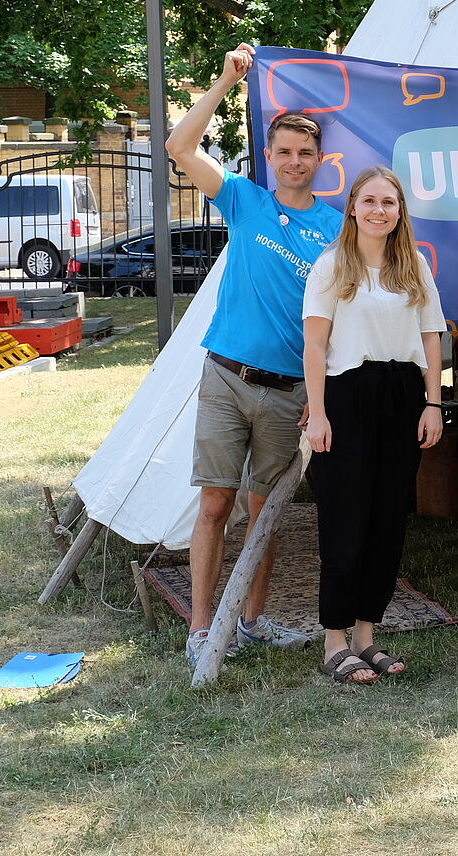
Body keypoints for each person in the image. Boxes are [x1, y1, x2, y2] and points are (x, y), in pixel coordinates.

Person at [166, 43, 342, 671]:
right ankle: (203, 628)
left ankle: (255, 621)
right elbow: (180, 147)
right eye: (284, 153)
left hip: (289, 389)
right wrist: (221, 83)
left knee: (263, 511)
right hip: (226, 375)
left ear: (322, 161)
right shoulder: (245, 200)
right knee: (215, 504)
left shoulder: (338, 226)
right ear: (268, 158)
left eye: (306, 154)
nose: (295, 163)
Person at [302, 166, 446, 684]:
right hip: (347, 396)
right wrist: (317, 414)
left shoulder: (414, 268)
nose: (379, 210)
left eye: (389, 202)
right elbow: (315, 346)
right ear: (354, 208)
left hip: (404, 395)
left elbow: (431, 338)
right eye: (370, 201)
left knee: (387, 518)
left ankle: (367, 636)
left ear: (400, 211)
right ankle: (334, 641)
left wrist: (433, 403)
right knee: (345, 519)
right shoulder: (331, 266)